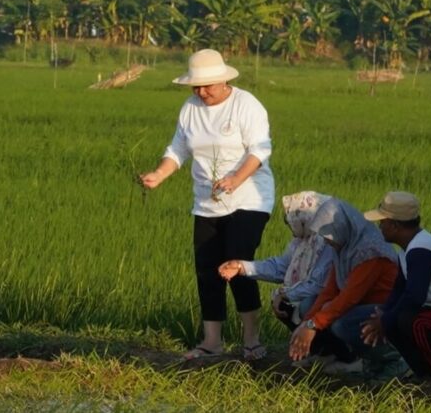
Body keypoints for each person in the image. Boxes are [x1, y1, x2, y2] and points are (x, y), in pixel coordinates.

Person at [139, 49, 275, 361]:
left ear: (223, 80)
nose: (201, 92)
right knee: (207, 271)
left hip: (249, 198)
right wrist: (159, 174)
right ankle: (212, 342)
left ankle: (252, 340)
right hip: (207, 202)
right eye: (195, 86)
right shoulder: (190, 108)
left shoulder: (246, 105)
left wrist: (235, 179)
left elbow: (259, 150)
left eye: (207, 86)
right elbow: (178, 149)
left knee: (237, 265)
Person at [361, 192, 431, 379]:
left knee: (410, 322)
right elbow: (399, 289)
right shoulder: (407, 249)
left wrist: (385, 321)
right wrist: (384, 314)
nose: (380, 226)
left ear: (394, 225)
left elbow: (415, 297)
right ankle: (424, 372)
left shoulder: (421, 250)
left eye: (383, 222)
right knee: (393, 319)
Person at [288, 198, 399, 374]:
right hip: (359, 303)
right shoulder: (346, 245)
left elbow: (349, 298)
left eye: (329, 236)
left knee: (342, 324)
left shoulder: (370, 252)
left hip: (383, 308)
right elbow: (331, 289)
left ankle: (388, 359)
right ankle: (334, 354)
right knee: (308, 305)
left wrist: (312, 325)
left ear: (340, 228)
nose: (327, 242)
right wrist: (306, 323)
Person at [217, 191, 333, 330]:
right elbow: (281, 267)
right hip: (317, 295)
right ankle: (307, 341)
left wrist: (285, 294)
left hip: (335, 299)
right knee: (285, 302)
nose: (289, 223)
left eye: (291, 218)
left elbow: (318, 284)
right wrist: (241, 266)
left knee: (306, 305)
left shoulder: (328, 242)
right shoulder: (301, 242)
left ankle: (323, 341)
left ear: (305, 217)